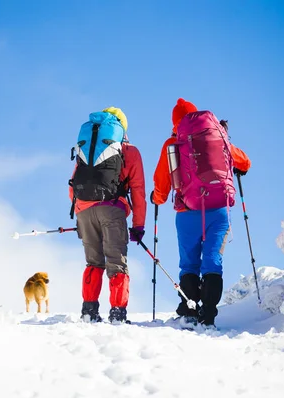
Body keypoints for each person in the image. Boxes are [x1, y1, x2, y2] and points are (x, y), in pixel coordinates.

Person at [151, 98, 251, 327]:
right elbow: (244, 162)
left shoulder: (172, 143)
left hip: (187, 212)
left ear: (175, 122)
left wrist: (157, 198)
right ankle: (208, 315)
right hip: (219, 211)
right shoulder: (217, 136)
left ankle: (189, 311)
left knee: (189, 264)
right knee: (213, 262)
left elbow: (161, 182)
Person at [69, 107, 147, 323]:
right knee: (116, 262)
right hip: (112, 210)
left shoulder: (88, 146)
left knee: (93, 263)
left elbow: (73, 185)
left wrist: (81, 216)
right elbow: (138, 190)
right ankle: (117, 313)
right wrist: (138, 225)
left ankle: (89, 311)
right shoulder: (129, 151)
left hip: (84, 211)